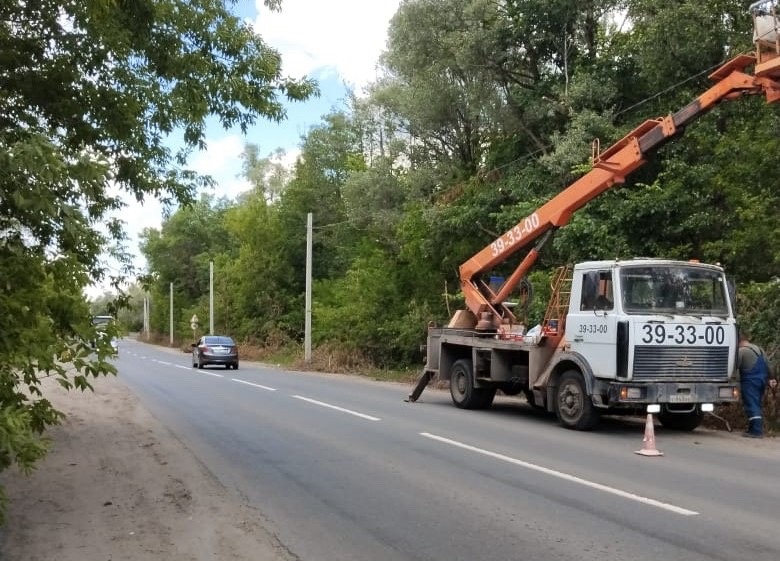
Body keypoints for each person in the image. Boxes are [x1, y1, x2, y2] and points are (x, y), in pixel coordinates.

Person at [736, 331, 774, 438]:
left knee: (751, 405)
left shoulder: (741, 351)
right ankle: (752, 429)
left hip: (750, 381)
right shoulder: (760, 349)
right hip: (762, 380)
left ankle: (756, 431)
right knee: (756, 404)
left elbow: (735, 369)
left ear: (739, 341)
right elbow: (769, 365)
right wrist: (771, 378)